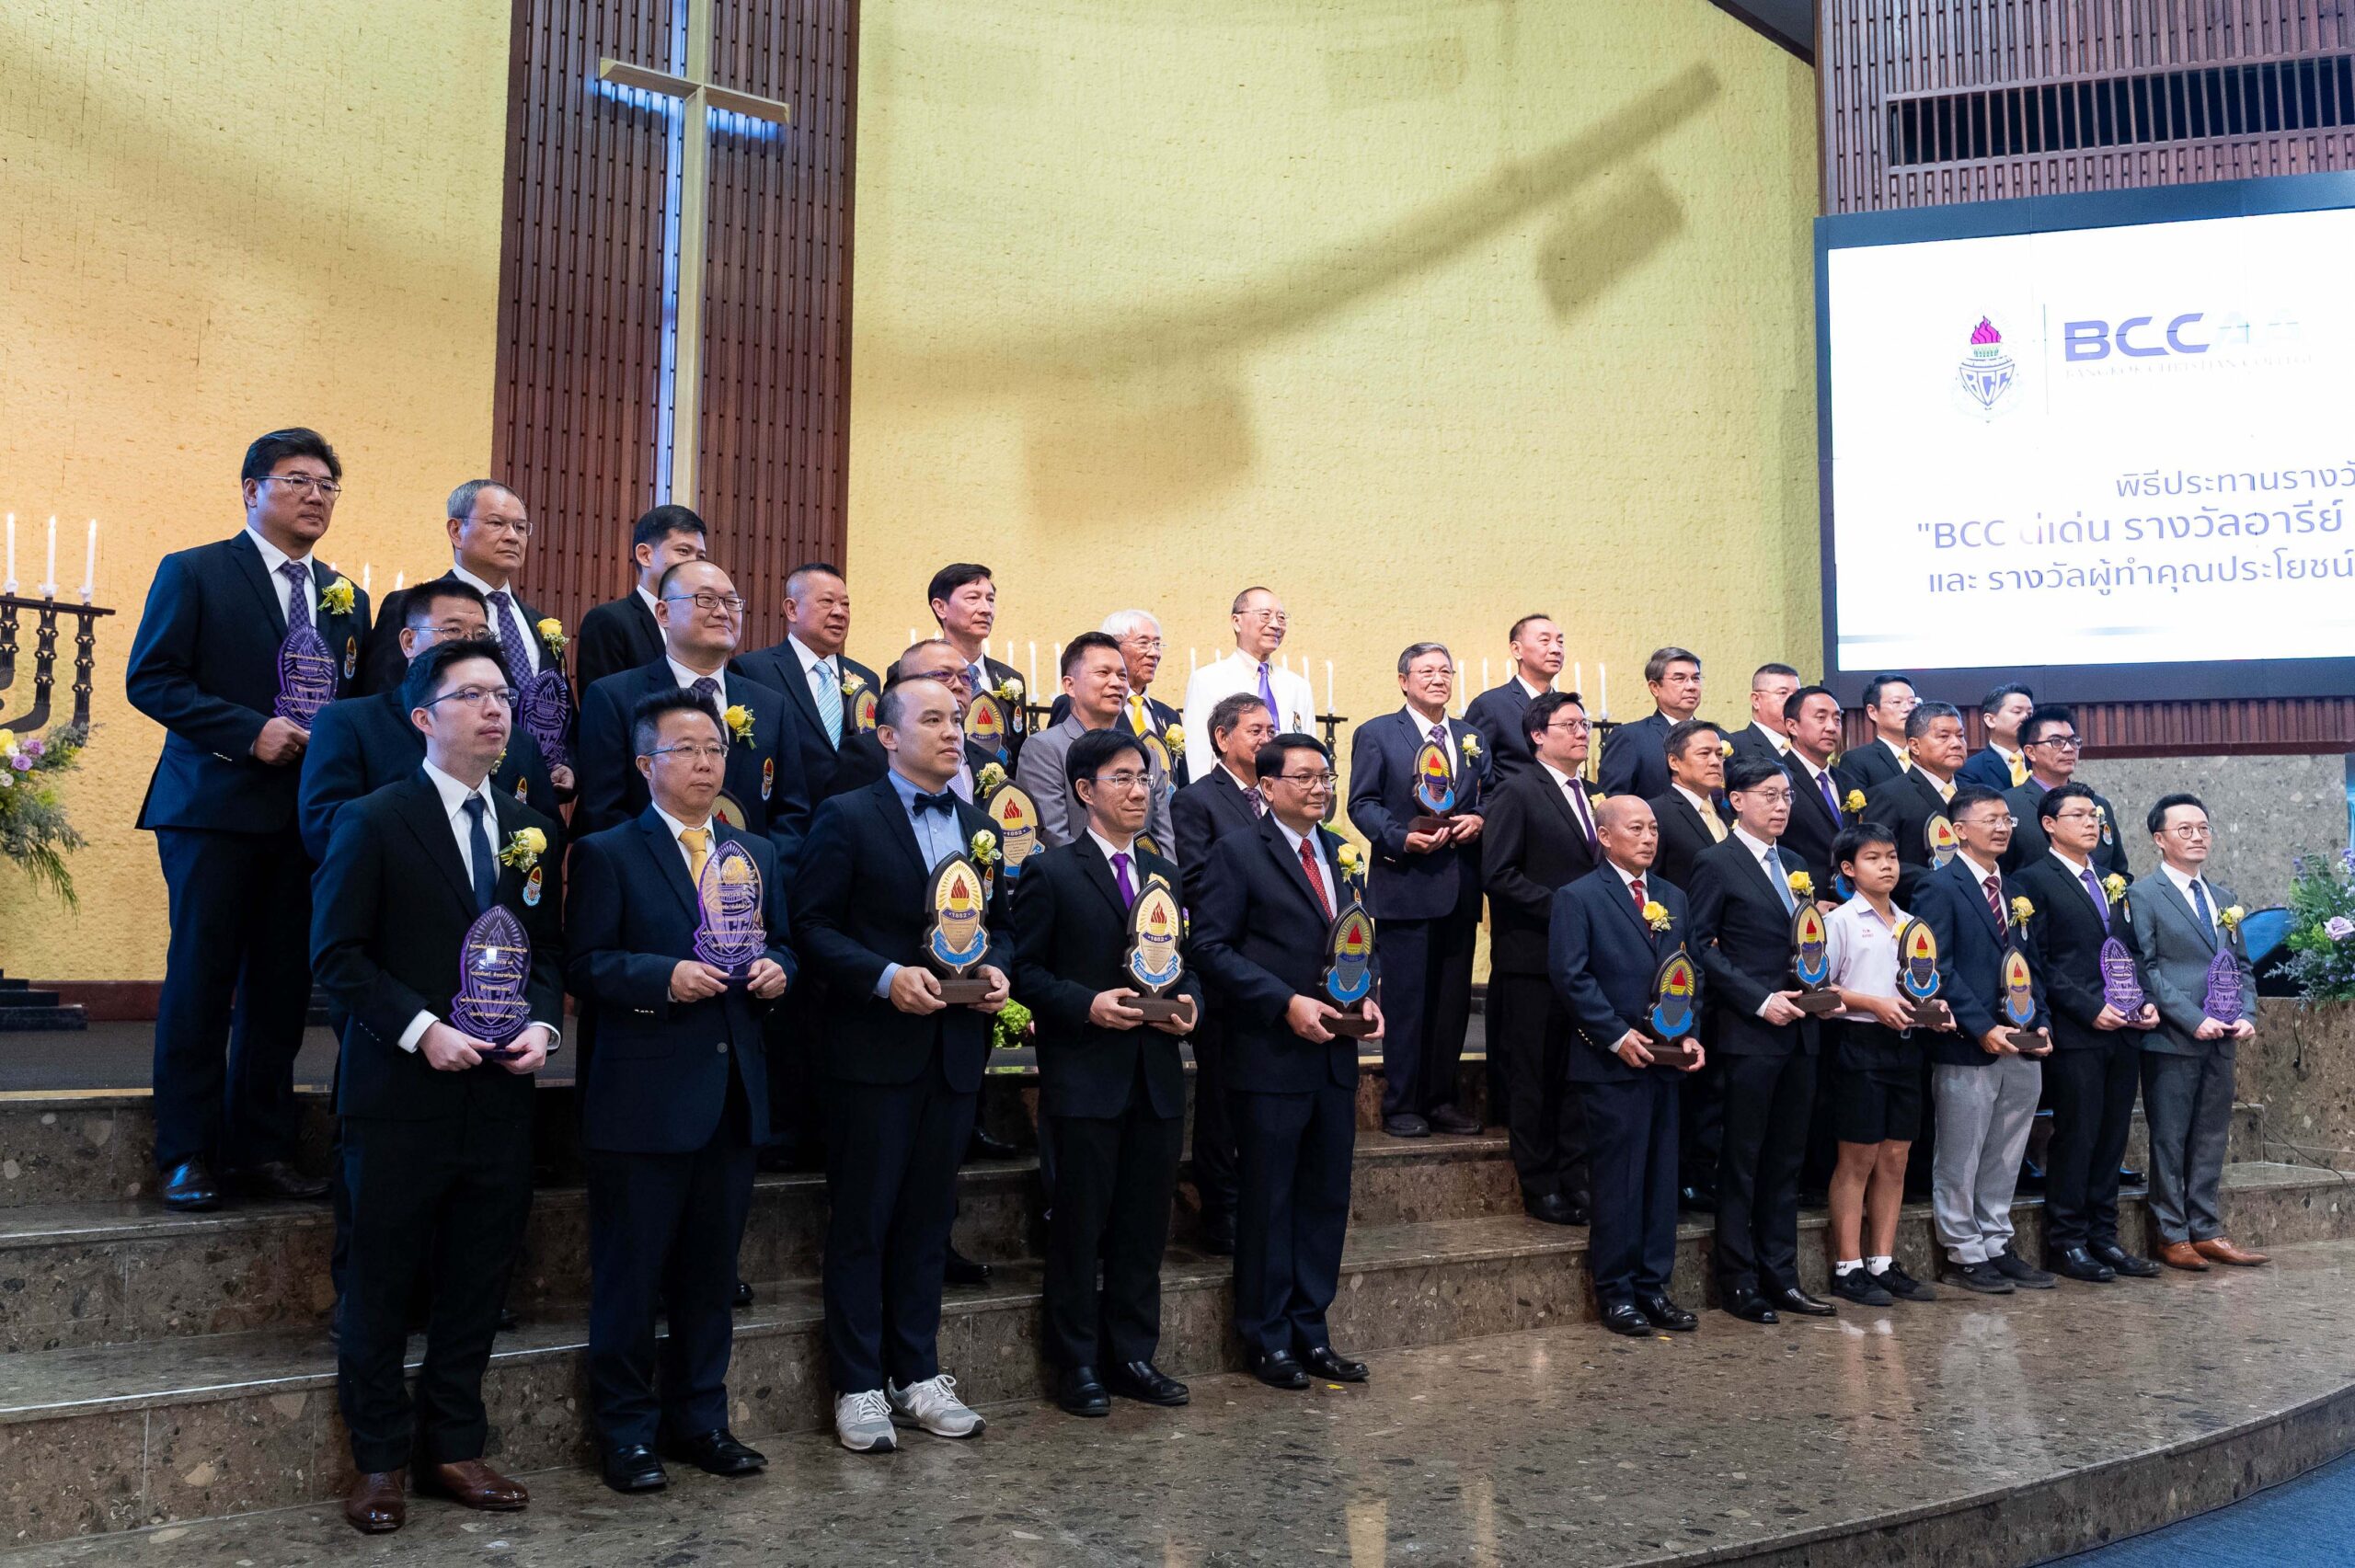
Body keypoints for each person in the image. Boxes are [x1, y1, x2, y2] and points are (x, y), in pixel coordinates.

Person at [309, 637, 562, 1533]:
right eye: (473, 695)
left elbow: (545, 950)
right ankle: (379, 1458)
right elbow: (337, 958)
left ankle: (455, 1444)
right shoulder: (373, 818)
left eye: (503, 696)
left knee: (477, 1277)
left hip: (498, 1093)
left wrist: (542, 1023)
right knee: (381, 1281)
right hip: (399, 1092)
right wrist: (422, 1029)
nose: (496, 709)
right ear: (423, 716)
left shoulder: (530, 827)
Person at [125, 427, 372, 1211]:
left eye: (328, 485)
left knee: (281, 987)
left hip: (303, 819)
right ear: (251, 489)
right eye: (298, 479)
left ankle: (261, 1147)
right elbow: (151, 679)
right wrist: (247, 731)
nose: (315, 495)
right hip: (213, 807)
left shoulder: (347, 597)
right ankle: (186, 1152)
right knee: (202, 980)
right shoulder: (196, 570)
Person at [568, 690, 793, 1493]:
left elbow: (785, 944)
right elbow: (585, 964)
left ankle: (702, 1420)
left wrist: (778, 970)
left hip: (732, 1095)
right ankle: (627, 1433)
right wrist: (662, 976)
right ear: (645, 764)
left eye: (715, 749)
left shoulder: (756, 852)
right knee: (631, 1279)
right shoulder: (609, 852)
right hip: (644, 1098)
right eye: (686, 749)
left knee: (709, 1275)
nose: (705, 763)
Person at [794, 676, 1010, 1451]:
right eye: (933, 719)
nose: (954, 732)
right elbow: (812, 925)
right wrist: (886, 977)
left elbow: (1001, 924)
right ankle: (857, 1383)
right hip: (874, 1051)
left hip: (953, 1052)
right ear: (887, 735)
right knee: (863, 1219)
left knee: (928, 1219)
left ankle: (917, 1371)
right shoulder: (847, 815)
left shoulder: (980, 826)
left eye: (958, 719)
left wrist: (999, 969)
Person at [1013, 728, 1202, 1417]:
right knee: (1080, 1225)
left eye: (1144, 778)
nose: (1138, 790)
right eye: (1121, 778)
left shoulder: (1163, 873)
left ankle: (1132, 1354)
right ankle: (1077, 1363)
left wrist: (1191, 1005)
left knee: (1143, 1226)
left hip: (1155, 1075)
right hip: (1087, 1075)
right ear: (1084, 790)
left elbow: (1184, 963)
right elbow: (1024, 970)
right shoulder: (1053, 871)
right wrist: (1085, 1004)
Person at [1191, 734, 1379, 1390]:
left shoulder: (1343, 853)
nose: (1320, 787)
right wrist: (1284, 1002)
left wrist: (1370, 994)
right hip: (1271, 1054)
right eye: (1304, 777)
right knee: (1269, 1201)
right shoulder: (1238, 852)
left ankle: (1311, 1330)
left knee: (1325, 1199)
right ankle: (1267, 1337)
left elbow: (1361, 938)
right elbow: (1210, 947)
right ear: (1268, 787)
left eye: (1325, 775)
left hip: (1334, 1056)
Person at [1546, 795, 1705, 1337]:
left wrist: (1690, 1031)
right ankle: (1616, 1292)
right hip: (1610, 1063)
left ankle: (1653, 1287)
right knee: (1619, 1182)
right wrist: (1615, 1036)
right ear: (1605, 836)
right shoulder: (1578, 897)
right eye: (1635, 828)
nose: (1648, 837)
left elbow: (1690, 972)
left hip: (1665, 1058)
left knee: (1661, 1179)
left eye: (1653, 828)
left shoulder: (1673, 897)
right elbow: (1571, 976)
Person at [1687, 755, 1830, 1323]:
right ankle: (1738, 1280)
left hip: (1802, 1030)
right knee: (1742, 1160)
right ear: (1737, 800)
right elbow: (1700, 947)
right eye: (1769, 795)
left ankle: (1782, 1275)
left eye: (1787, 795)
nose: (1781, 805)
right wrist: (1758, 999)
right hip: (1749, 1032)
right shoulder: (1715, 863)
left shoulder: (1795, 864)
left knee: (1787, 1160)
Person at [576, 560, 812, 876]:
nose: (722, 612)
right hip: (648, 884)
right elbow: (603, 811)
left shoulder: (771, 705)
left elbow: (791, 813)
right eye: (706, 599)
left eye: (731, 602)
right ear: (663, 613)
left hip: (746, 889)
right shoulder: (614, 697)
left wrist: (761, 878)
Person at [2012, 783, 2160, 1284]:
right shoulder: (2033, 880)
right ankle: (2068, 1242)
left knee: (2113, 1135)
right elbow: (2038, 961)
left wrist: (2144, 999)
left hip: (2125, 1027)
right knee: (2077, 1135)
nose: (2091, 822)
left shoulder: (2111, 881)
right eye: (2077, 815)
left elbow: (2131, 951)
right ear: (2049, 825)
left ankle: (2104, 1236)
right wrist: (2090, 1008)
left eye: (2094, 815)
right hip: (2078, 1029)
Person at [1910, 784, 2053, 1296]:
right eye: (1989, 819)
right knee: (1961, 1152)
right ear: (1958, 830)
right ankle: (1963, 1252)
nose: (2001, 827)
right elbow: (1937, 967)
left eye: (2006, 819)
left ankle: (1996, 1241)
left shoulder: (2014, 891)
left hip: (2022, 1041)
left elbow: (2031, 966)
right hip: (1969, 1044)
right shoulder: (1938, 886)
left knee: (2007, 1150)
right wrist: (1982, 1027)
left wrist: (2042, 1023)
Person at [301, 581, 561, 862]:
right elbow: (325, 827)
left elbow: (546, 837)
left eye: (480, 634)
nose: (468, 644)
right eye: (453, 631)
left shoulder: (517, 740)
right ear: (409, 642)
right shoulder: (351, 723)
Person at [1347, 643, 1488, 1139]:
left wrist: (1479, 818)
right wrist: (1399, 837)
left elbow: (1490, 792)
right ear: (1403, 680)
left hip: (1460, 887)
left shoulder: (1471, 737)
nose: (1438, 678)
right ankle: (1402, 1103)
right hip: (1405, 883)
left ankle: (1440, 1099)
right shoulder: (1378, 733)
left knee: (1451, 1005)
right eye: (1426, 671)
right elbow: (1362, 802)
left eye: (1445, 671)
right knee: (1407, 1002)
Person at [2129, 795, 2266, 1271]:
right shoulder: (2143, 895)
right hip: (2173, 1038)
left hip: (2223, 1035)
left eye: (2203, 828)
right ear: (2159, 839)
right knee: (2170, 1138)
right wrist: (2191, 1017)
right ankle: (2172, 1234)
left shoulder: (2224, 898)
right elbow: (2147, 968)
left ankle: (2206, 1229)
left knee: (2211, 1136)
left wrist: (2246, 1012)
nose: (2197, 837)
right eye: (2184, 829)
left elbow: (2241, 965)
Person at [1479, 691, 1601, 1223]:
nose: (1582, 732)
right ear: (1537, 735)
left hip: (1586, 960)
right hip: (1532, 958)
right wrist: (1568, 910)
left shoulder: (1594, 795)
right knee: (1534, 1075)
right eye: (1569, 724)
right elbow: (1498, 874)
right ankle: (1540, 1184)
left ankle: (1577, 1176)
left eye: (1585, 724)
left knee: (1576, 1075)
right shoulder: (1517, 790)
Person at [1167, 692, 1278, 1253]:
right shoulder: (1197, 800)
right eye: (1256, 730)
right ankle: (1221, 1210)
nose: (1267, 739)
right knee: (1220, 1097)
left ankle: (1262, 1204)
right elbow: (1194, 875)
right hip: (1226, 963)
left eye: (1271, 730)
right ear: (1222, 737)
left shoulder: (1278, 796)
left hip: (1277, 968)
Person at [1819, 824, 1942, 1306]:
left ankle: (1882, 1261)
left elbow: (1919, 982)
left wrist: (1935, 1008)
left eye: (1891, 856)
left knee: (1896, 1157)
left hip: (1905, 1045)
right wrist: (1873, 1003)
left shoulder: (1910, 923)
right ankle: (1847, 1266)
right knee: (1859, 1157)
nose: (1887, 866)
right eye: (1873, 858)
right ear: (1849, 869)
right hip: (1859, 1043)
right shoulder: (1841, 921)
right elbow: (1821, 988)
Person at [359, 481, 559, 703]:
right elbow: (383, 701)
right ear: (456, 531)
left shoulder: (540, 623)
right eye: (496, 523)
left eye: (520, 527)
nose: (512, 536)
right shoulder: (411, 606)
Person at [731, 560, 881, 802]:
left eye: (845, 604)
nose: (839, 612)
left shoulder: (867, 679)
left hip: (854, 815)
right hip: (785, 815)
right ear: (792, 609)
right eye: (827, 602)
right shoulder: (753, 671)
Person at [1017, 633, 1174, 852]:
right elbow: (1054, 836)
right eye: (1103, 673)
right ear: (1070, 685)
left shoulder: (1148, 755)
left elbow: (1163, 839)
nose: (1116, 683)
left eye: (1122, 675)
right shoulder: (1045, 749)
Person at [825, 639, 1000, 805]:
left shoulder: (987, 762)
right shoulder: (868, 754)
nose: (958, 686)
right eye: (943, 675)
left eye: (966, 677)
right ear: (905, 683)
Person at [575, 505, 708, 694]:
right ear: (645, 555)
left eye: (701, 556)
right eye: (683, 551)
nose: (694, 564)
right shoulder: (609, 621)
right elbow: (601, 702)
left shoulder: (703, 624)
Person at [1047, 611, 1188, 784]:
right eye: (1143, 643)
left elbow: (1181, 784)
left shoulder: (1168, 716)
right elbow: (1061, 756)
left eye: (1157, 644)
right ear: (1114, 647)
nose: (1154, 653)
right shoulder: (1076, 702)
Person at [2000, 704, 2131, 877]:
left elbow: (2119, 872)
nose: (2069, 749)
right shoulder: (2009, 805)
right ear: (2031, 752)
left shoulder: (2098, 804)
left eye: (2073, 741)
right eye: (2056, 742)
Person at [1180, 585, 1317, 747]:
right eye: (1265, 615)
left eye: (1281, 618)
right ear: (1237, 622)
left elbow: (1309, 751)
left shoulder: (1299, 687)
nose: (1275, 625)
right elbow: (1196, 749)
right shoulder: (1207, 680)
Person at [1862, 700, 1966, 907]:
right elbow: (1875, 861)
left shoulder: (1973, 792)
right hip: (1918, 908)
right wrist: (1947, 881)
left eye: (1960, 735)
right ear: (1915, 745)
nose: (1956, 743)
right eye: (1943, 736)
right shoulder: (1889, 794)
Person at [926, 562, 1028, 762]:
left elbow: (1017, 752)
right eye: (973, 598)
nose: (986, 609)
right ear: (941, 607)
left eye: (990, 600)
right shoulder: (916, 671)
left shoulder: (1011, 678)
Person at [1463, 613, 1564, 783]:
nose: (1556, 649)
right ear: (1517, 650)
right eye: (1545, 641)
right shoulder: (1490, 705)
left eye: (1560, 642)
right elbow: (1471, 772)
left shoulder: (1567, 708)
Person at [1597, 646, 1702, 800]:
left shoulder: (1719, 737)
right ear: (1655, 687)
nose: (1691, 686)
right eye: (1680, 679)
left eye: (1696, 678)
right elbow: (1612, 802)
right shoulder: (1631, 738)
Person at [1777, 683, 1850, 898]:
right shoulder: (1775, 780)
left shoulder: (1849, 782)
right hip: (1802, 900)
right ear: (1792, 726)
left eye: (1837, 719)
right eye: (1821, 718)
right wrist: (1807, 902)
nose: (1831, 727)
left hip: (1852, 900)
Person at [1646, 718, 1729, 891]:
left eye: (1719, 754)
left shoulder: (1729, 813)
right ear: (1674, 762)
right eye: (1704, 753)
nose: (1715, 761)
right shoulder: (1655, 813)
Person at [1835, 673, 1917, 794]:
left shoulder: (1928, 754)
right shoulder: (1856, 760)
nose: (1908, 708)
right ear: (1872, 711)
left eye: (1912, 702)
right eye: (1897, 702)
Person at [1957, 681, 2036, 790]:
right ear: (1990, 720)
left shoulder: (2042, 760)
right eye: (2017, 712)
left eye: (2030, 714)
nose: (2025, 717)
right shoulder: (1969, 770)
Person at [1726, 663, 1800, 765]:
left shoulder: (1808, 746)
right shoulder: (1734, 746)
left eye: (1797, 694)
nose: (1793, 700)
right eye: (1783, 693)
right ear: (1756, 700)